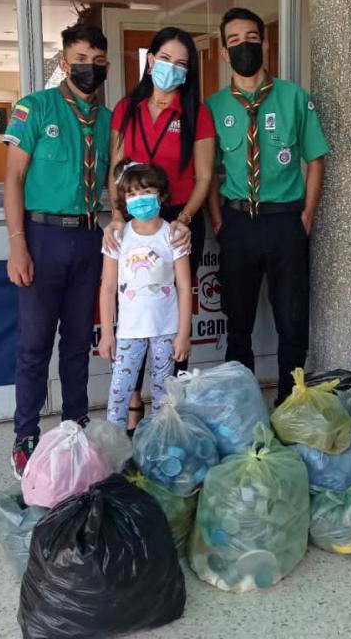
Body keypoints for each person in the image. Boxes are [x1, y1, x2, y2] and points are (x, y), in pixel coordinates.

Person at [3, 23, 111, 478]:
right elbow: (13, 179)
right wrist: (17, 245)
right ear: (64, 62)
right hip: (42, 238)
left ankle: (74, 425)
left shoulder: (108, 122)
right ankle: (25, 435)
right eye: (81, 59)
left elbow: (112, 182)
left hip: (87, 238)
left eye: (98, 61)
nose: (89, 68)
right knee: (34, 344)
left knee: (77, 343)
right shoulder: (35, 107)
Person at [207, 7, 329, 405]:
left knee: (292, 322)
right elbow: (207, 171)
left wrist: (306, 216)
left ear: (265, 43)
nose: (243, 46)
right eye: (234, 41)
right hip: (238, 223)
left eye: (251, 38)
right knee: (237, 322)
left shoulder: (294, 98)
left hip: (285, 222)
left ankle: (290, 404)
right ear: (223, 52)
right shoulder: (214, 107)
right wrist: (218, 218)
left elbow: (316, 159)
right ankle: (242, 405)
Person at [105, 27, 214, 427]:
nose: (172, 68)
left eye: (181, 64)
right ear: (150, 61)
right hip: (134, 219)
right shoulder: (126, 109)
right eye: (165, 59)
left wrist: (183, 221)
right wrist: (118, 215)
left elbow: (204, 177)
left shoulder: (197, 114)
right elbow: (115, 169)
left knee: (171, 311)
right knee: (135, 308)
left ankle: (169, 415)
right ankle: (133, 404)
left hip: (178, 221)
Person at [98, 161, 192, 433]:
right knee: (119, 396)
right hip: (128, 332)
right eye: (132, 194)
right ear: (124, 199)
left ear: (161, 195)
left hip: (166, 331)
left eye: (147, 192)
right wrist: (107, 334)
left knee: (164, 398)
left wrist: (183, 334)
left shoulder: (173, 235)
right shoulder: (118, 236)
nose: (139, 199)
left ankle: (158, 445)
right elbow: (107, 287)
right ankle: (115, 448)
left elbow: (185, 286)